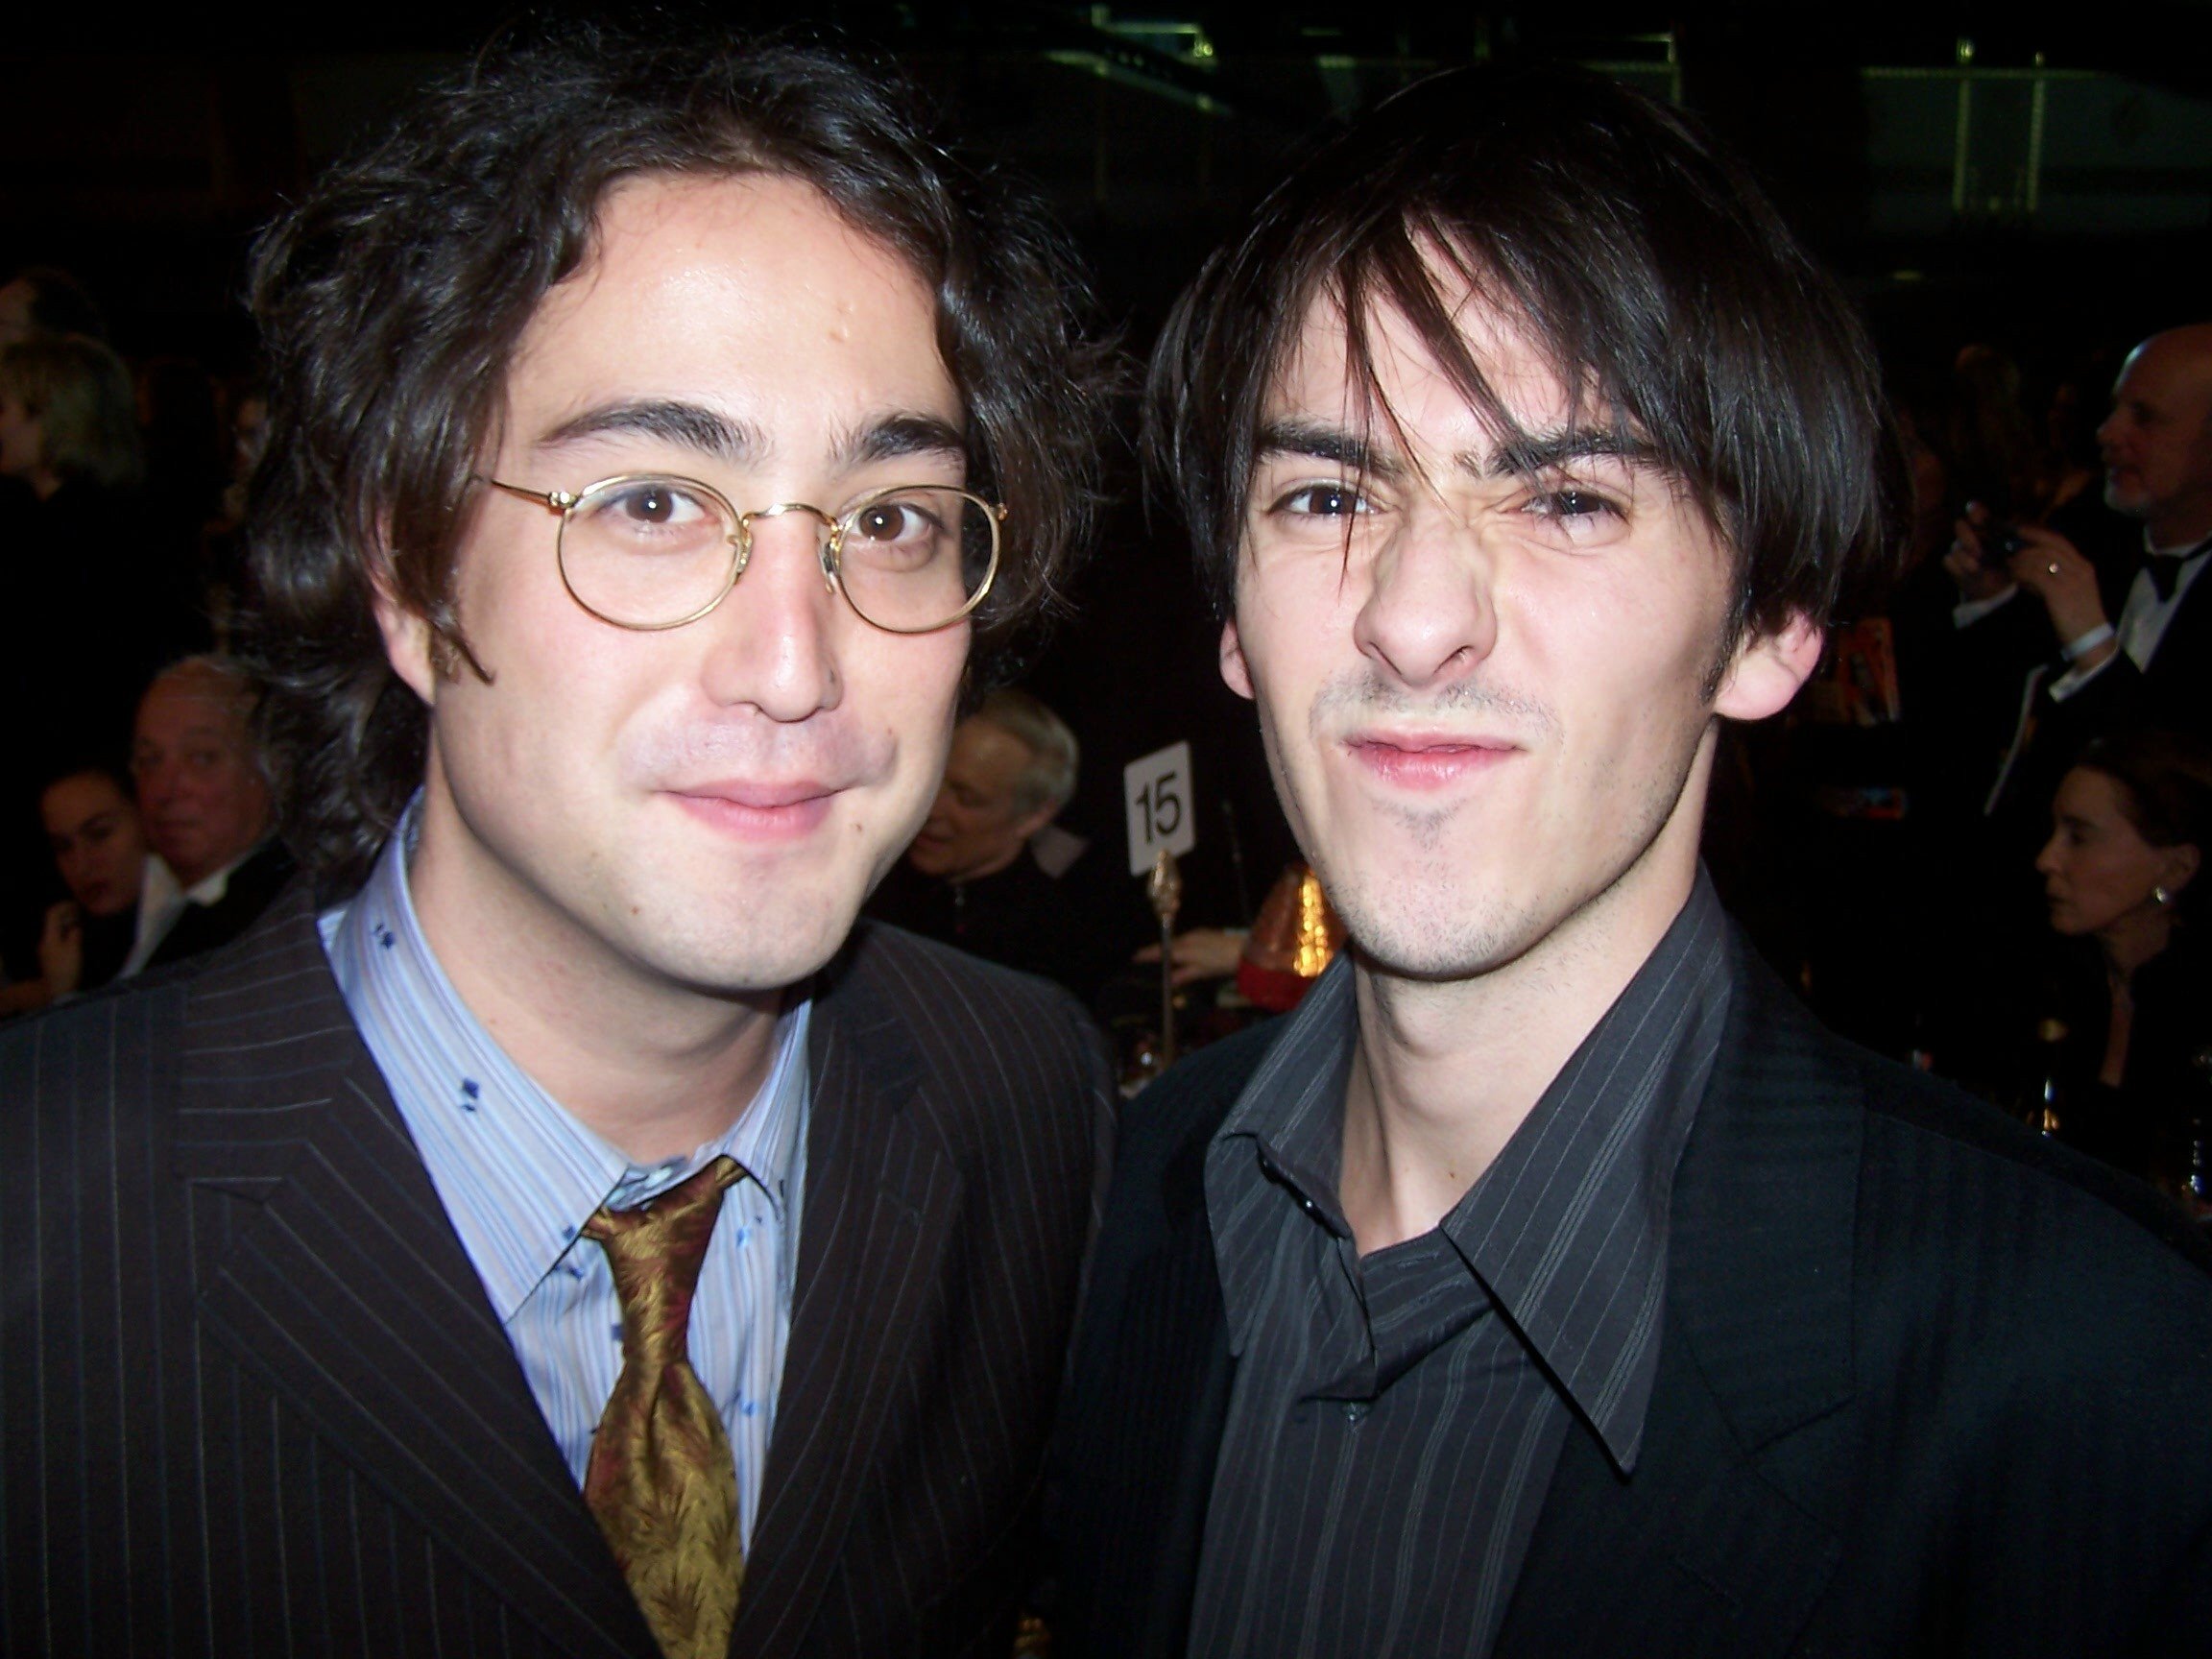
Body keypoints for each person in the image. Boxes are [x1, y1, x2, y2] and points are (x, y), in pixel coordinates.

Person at [1047, 63, 2212, 1658]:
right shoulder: (1123, 1200)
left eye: (1567, 500)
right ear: (1232, 620)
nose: (1412, 614)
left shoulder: (2104, 1381)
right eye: (1325, 493)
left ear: (1770, 625)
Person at [0, 26, 1111, 1659]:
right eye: (652, 502)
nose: (794, 664)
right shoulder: (41, 1223)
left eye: (888, 520)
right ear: (410, 571)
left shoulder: (1027, 1108)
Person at [2020, 730, 2212, 1190]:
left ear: (2176, 867)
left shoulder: (2198, 1007)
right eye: (2054, 832)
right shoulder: (2053, 983)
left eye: (2079, 837)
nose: (2047, 859)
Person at [866, 686, 1126, 999]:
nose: (932, 808)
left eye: (966, 798)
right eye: (934, 777)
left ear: (1035, 815)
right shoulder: (869, 884)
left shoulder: (1056, 948)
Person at [121, 655, 293, 974]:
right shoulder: (121, 904)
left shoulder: (274, 922)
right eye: (150, 760)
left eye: (201, 758)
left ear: (266, 765)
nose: (165, 789)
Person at [0, 760, 148, 1013]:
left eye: (99, 834)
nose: (81, 865)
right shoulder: (64, 944)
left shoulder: (193, 917)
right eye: (63, 847)